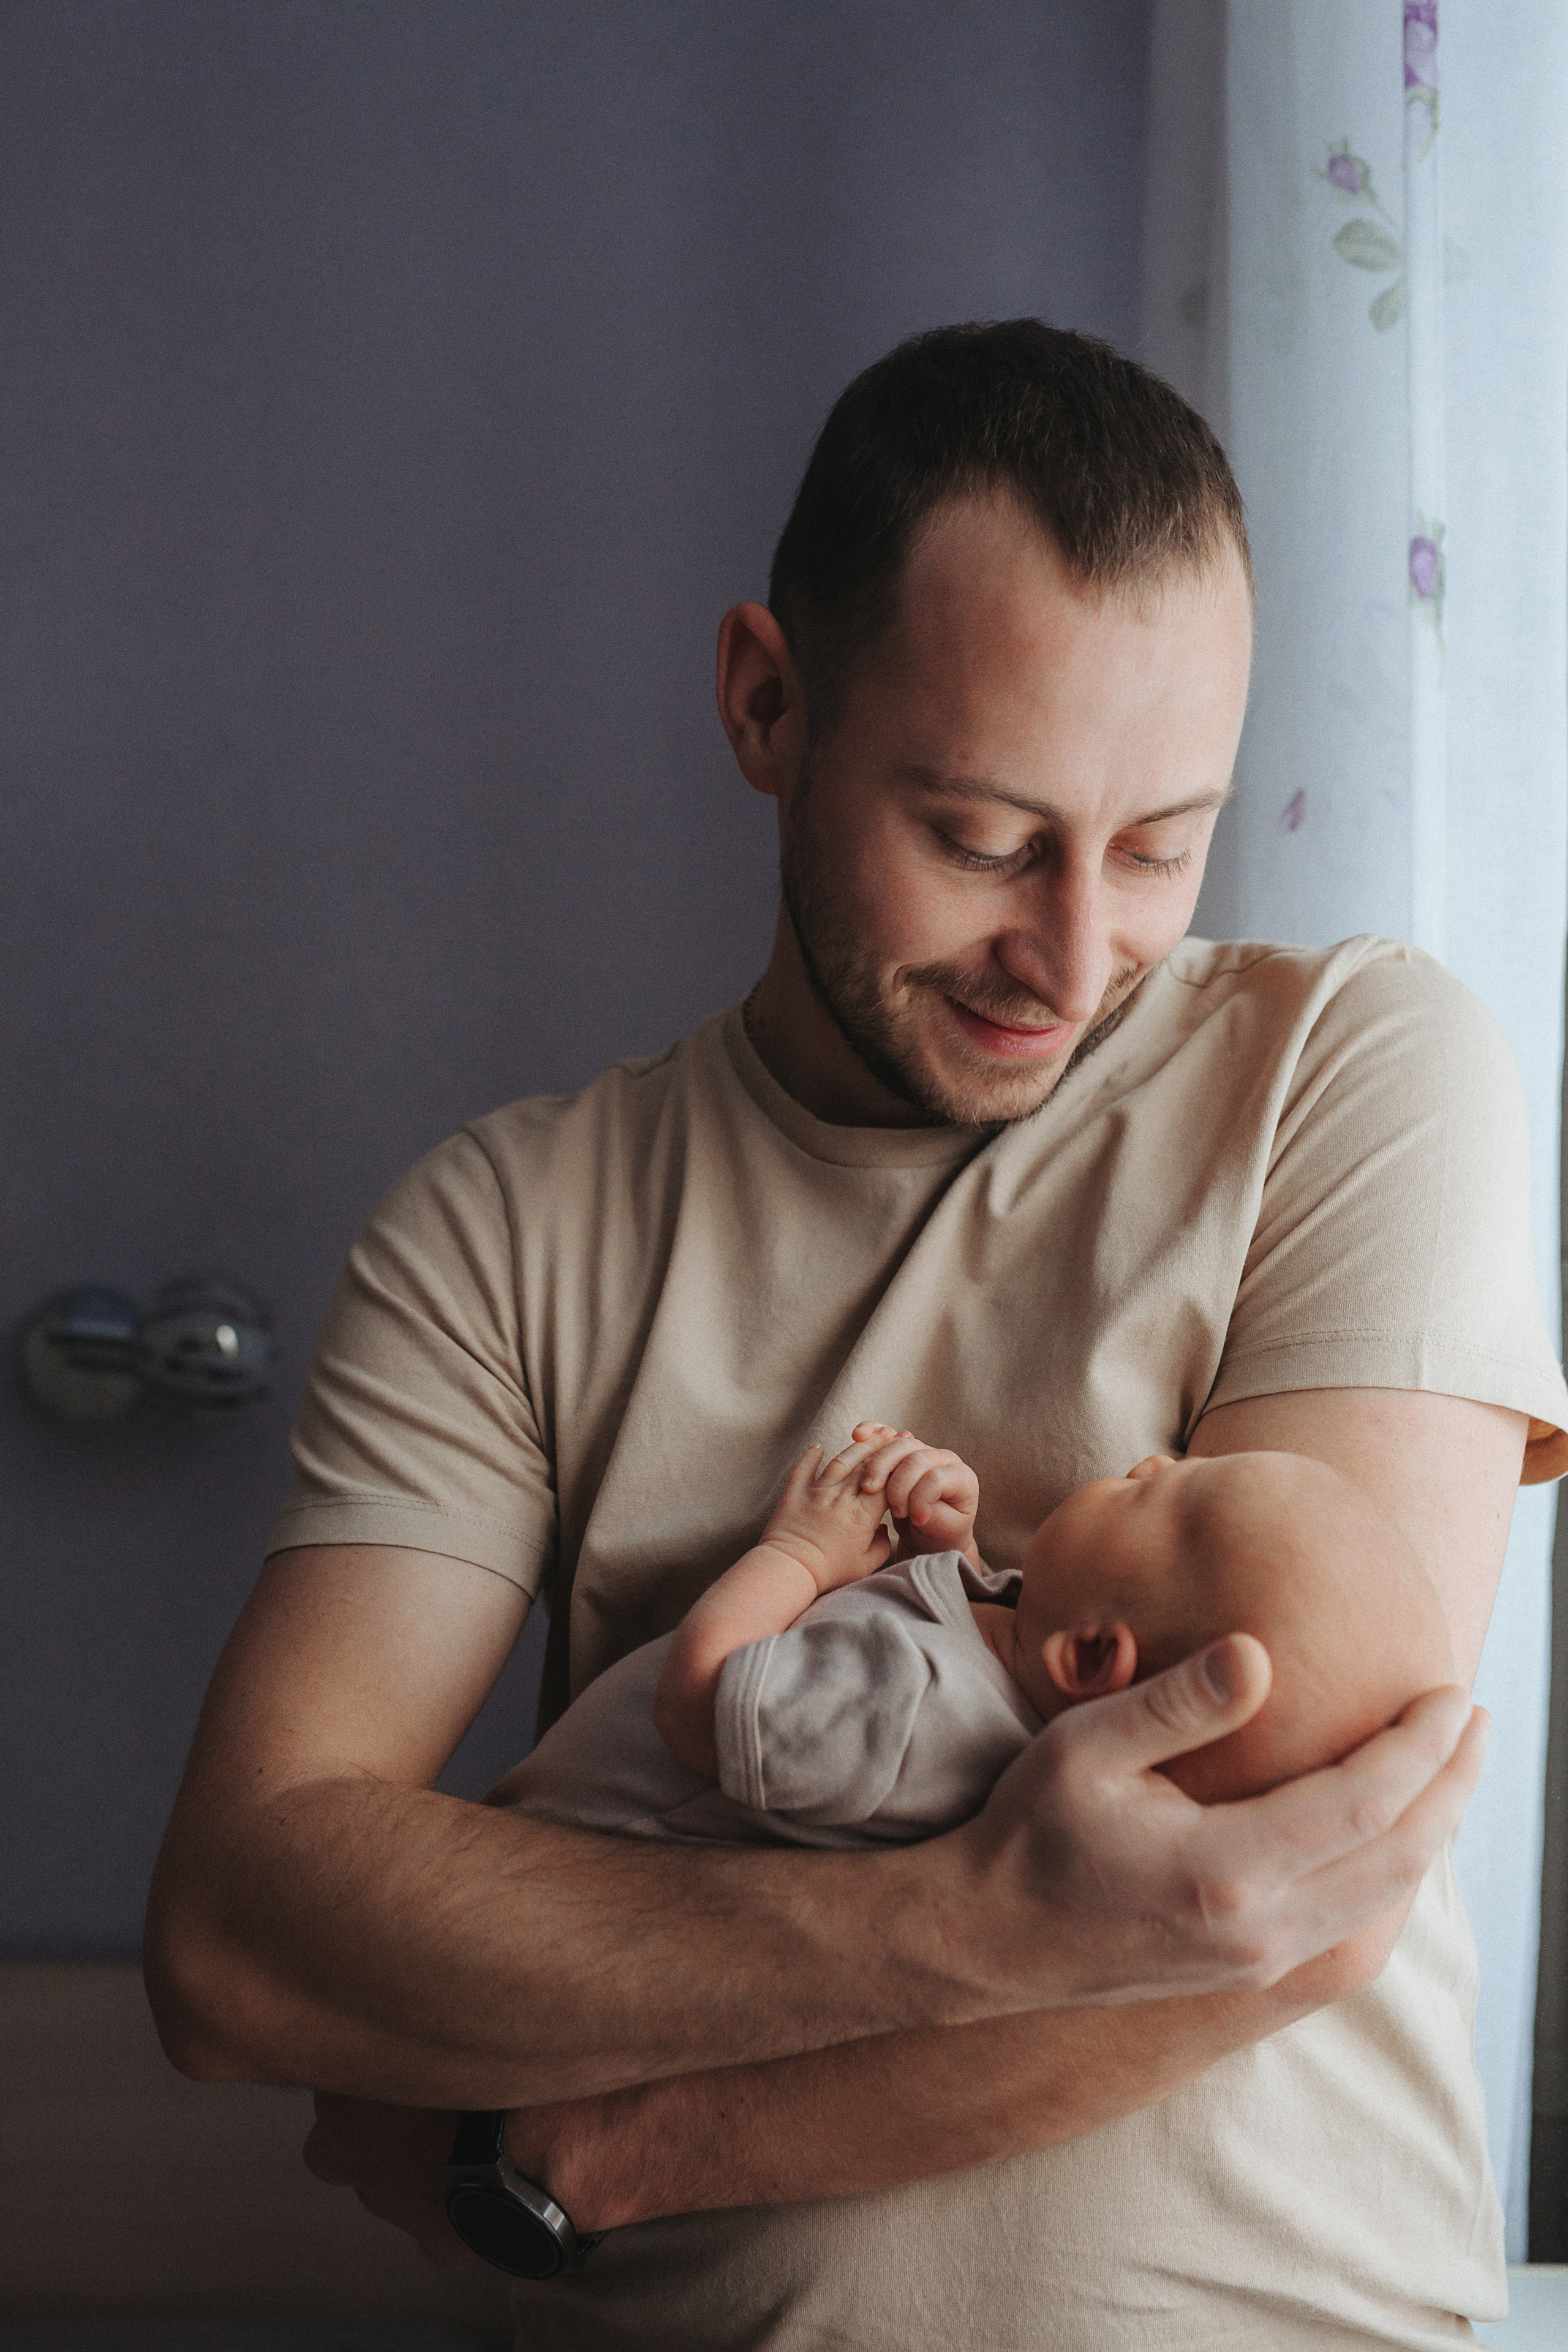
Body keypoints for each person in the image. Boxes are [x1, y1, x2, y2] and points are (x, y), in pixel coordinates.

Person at [144, 321, 1568, 2350]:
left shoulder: (1348, 1070)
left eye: (1162, 845)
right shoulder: (508, 1233)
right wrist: (971, 1922)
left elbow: (1292, 1906)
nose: (1075, 961)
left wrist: (598, 2158)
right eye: (984, 838)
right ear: (765, 700)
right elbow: (236, 1939)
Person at [493, 1424, 1455, 1850]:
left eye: (1162, 1492)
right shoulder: (1017, 1662)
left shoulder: (919, 1717)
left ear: (1090, 1658)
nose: (1155, 1457)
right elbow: (960, 1622)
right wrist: (940, 1542)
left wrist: (800, 1551)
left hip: (570, 1855)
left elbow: (699, 1698)